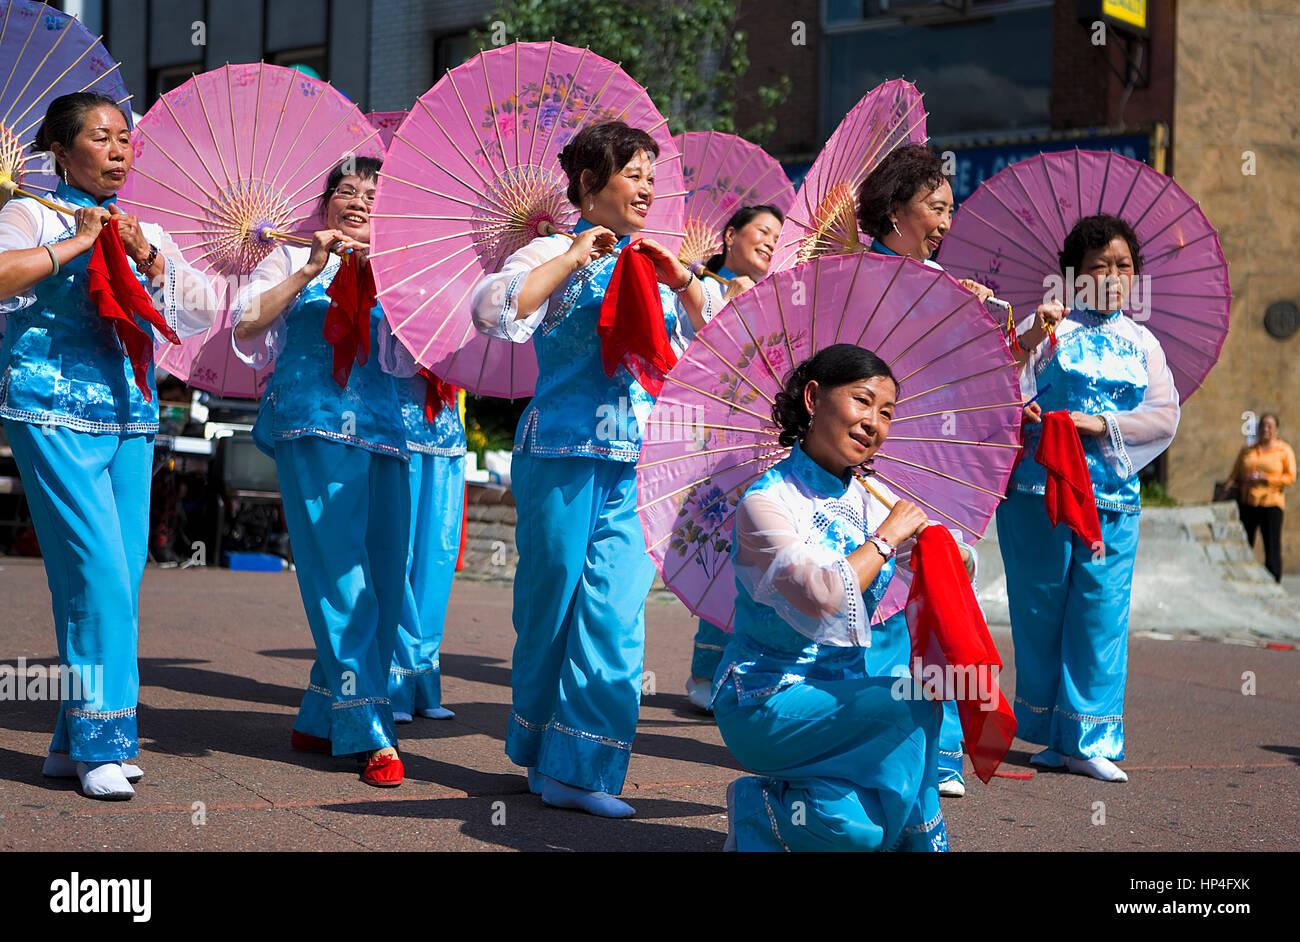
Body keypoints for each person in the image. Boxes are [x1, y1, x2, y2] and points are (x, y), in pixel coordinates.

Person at [471, 120, 714, 818]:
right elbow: (499, 309)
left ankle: (585, 768)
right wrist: (575, 257)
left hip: (643, 459)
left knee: (615, 610)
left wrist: (687, 280)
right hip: (562, 453)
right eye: (632, 173)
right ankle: (542, 749)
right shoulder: (551, 250)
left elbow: (725, 335)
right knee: (549, 603)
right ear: (587, 183)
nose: (646, 186)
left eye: (650, 175)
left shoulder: (656, 262)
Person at [0, 92, 217, 799]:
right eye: (102, 137)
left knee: (118, 580)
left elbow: (200, 311)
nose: (121, 149)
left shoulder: (141, 226)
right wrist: (75, 245)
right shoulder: (32, 213)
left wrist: (146, 254)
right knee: (96, 572)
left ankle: (69, 742)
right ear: (61, 151)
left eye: (126, 137)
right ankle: (104, 739)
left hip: (130, 414)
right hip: (49, 407)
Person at [712, 343, 950, 851]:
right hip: (768, 700)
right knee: (913, 703)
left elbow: (926, 568)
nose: (874, 423)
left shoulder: (867, 498)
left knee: (853, 832)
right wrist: (886, 538)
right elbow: (820, 596)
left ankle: (760, 809)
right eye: (862, 401)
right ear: (814, 397)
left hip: (841, 699)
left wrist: (946, 553)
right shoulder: (767, 503)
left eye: (886, 413)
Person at [232, 156, 412, 787]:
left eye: (372, 193)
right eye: (347, 191)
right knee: (341, 574)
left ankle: (318, 710)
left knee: (388, 577)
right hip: (313, 423)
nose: (360, 202)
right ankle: (367, 726)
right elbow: (247, 323)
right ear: (327, 198)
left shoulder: (400, 263)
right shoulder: (290, 253)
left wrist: (387, 278)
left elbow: (418, 358)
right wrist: (313, 267)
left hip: (388, 431)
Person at [1001, 213, 1180, 783]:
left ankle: (1090, 735)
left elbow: (1163, 415)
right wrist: (1026, 406)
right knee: (1040, 611)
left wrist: (1100, 423)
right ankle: (1051, 734)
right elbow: (998, 384)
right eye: (1099, 266)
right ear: (1074, 275)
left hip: (1110, 498)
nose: (1112, 276)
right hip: (1038, 490)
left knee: (1101, 612)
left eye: (1123, 266)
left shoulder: (1144, 342)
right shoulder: (1045, 327)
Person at [855, 143, 983, 796]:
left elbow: (974, 386)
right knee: (881, 604)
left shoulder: (945, 287)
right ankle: (884, 748)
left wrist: (1003, 336)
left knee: (935, 592)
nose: (945, 222)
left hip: (937, 460)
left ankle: (938, 751)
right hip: (874, 464)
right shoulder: (853, 282)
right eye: (936, 208)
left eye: (950, 209)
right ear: (895, 209)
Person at [685, 204, 784, 712]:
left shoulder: (777, 297)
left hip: (765, 441)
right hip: (713, 441)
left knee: (762, 552)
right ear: (730, 235)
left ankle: (751, 670)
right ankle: (706, 671)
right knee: (724, 551)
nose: (770, 241)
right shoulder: (700, 288)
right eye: (761, 232)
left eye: (776, 236)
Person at [389, 376, 466, 722]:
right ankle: (394, 683)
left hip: (447, 433)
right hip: (398, 427)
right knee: (397, 557)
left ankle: (423, 682)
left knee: (438, 560)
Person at [1227, 413, 1294, 582]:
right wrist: (1240, 481)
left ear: (1276, 430)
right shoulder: (1248, 450)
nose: (1265, 429)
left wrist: (1267, 479)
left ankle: (1273, 581)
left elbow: (1290, 477)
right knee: (1244, 544)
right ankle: (1242, 579)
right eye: (1263, 425)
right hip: (1248, 502)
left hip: (1271, 503)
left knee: (1271, 546)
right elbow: (1234, 474)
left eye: (1269, 426)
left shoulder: (1284, 451)